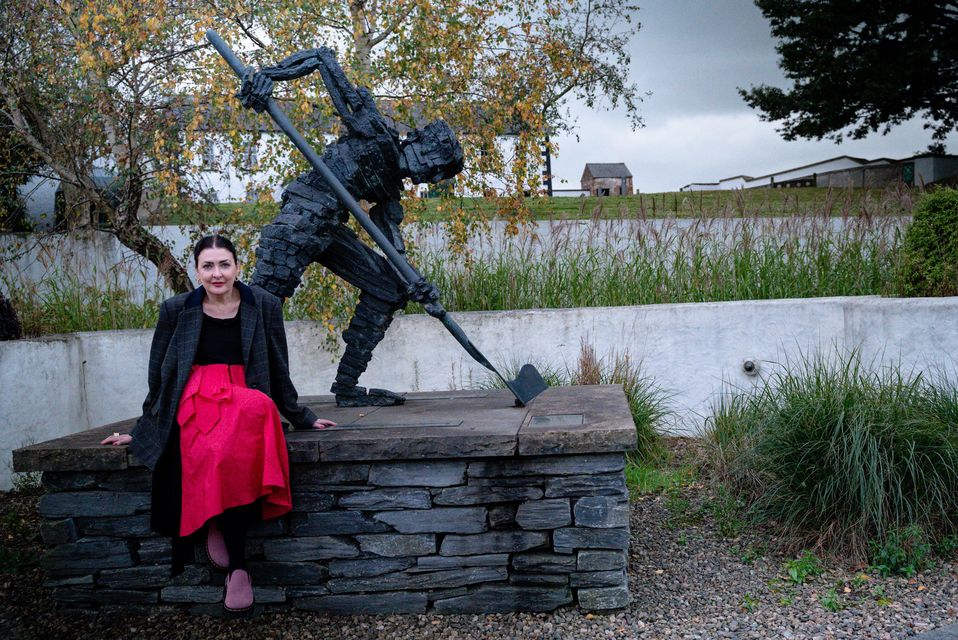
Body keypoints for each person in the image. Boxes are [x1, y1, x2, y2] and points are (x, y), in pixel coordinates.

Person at [101, 235, 335, 614]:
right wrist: (144, 426)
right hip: (196, 394)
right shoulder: (177, 310)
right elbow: (160, 375)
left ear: (237, 267)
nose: (217, 273)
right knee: (213, 448)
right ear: (196, 271)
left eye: (224, 264)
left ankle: (216, 520)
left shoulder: (265, 305)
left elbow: (278, 366)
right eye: (208, 266)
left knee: (253, 415)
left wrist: (301, 415)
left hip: (246, 396)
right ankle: (238, 564)